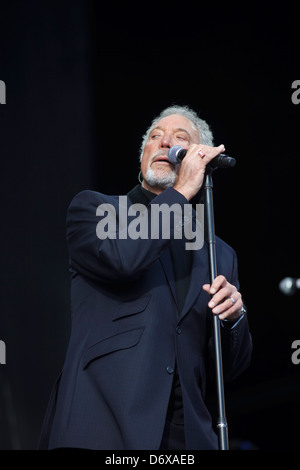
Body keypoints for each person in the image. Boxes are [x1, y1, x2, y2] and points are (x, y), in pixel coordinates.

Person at [39, 105, 252, 450]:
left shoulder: (219, 253)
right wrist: (180, 192)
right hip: (104, 427)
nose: (164, 142)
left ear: (202, 159)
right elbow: (124, 260)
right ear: (142, 159)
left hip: (188, 437)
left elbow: (228, 371)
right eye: (154, 137)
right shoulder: (97, 211)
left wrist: (234, 318)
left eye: (180, 139)